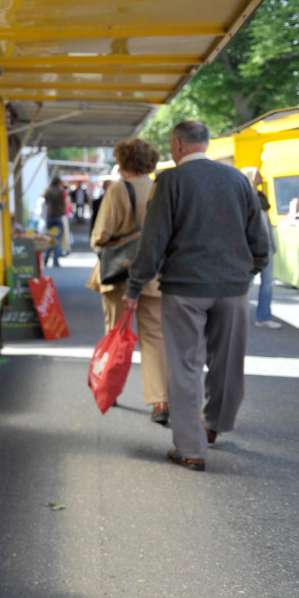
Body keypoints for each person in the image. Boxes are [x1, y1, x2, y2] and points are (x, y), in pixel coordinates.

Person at [123, 121, 270, 471]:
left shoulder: (170, 181)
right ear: (205, 143)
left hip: (184, 289)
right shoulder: (237, 179)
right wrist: (251, 269)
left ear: (177, 145)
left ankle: (191, 449)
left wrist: (135, 286)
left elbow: (153, 240)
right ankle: (214, 424)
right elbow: (258, 235)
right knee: (228, 362)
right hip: (233, 288)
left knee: (184, 366)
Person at [87, 138, 168, 424]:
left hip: (118, 274)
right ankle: (159, 400)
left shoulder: (119, 190)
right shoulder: (162, 188)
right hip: (154, 275)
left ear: (124, 163)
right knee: (154, 338)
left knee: (116, 334)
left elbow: (100, 236)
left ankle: (110, 389)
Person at [242, 166, 280, 329]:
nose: (261, 177)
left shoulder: (262, 198)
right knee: (246, 284)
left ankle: (264, 316)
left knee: (268, 283)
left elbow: (267, 224)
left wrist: (273, 245)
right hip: (251, 248)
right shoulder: (244, 198)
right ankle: (238, 315)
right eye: (257, 175)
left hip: (266, 247)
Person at [42, 176, 66, 267]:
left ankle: (46, 259)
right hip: (58, 216)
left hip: (50, 217)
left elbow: (45, 201)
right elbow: (64, 202)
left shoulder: (48, 191)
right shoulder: (60, 191)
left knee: (49, 238)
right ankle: (55, 260)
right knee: (57, 239)